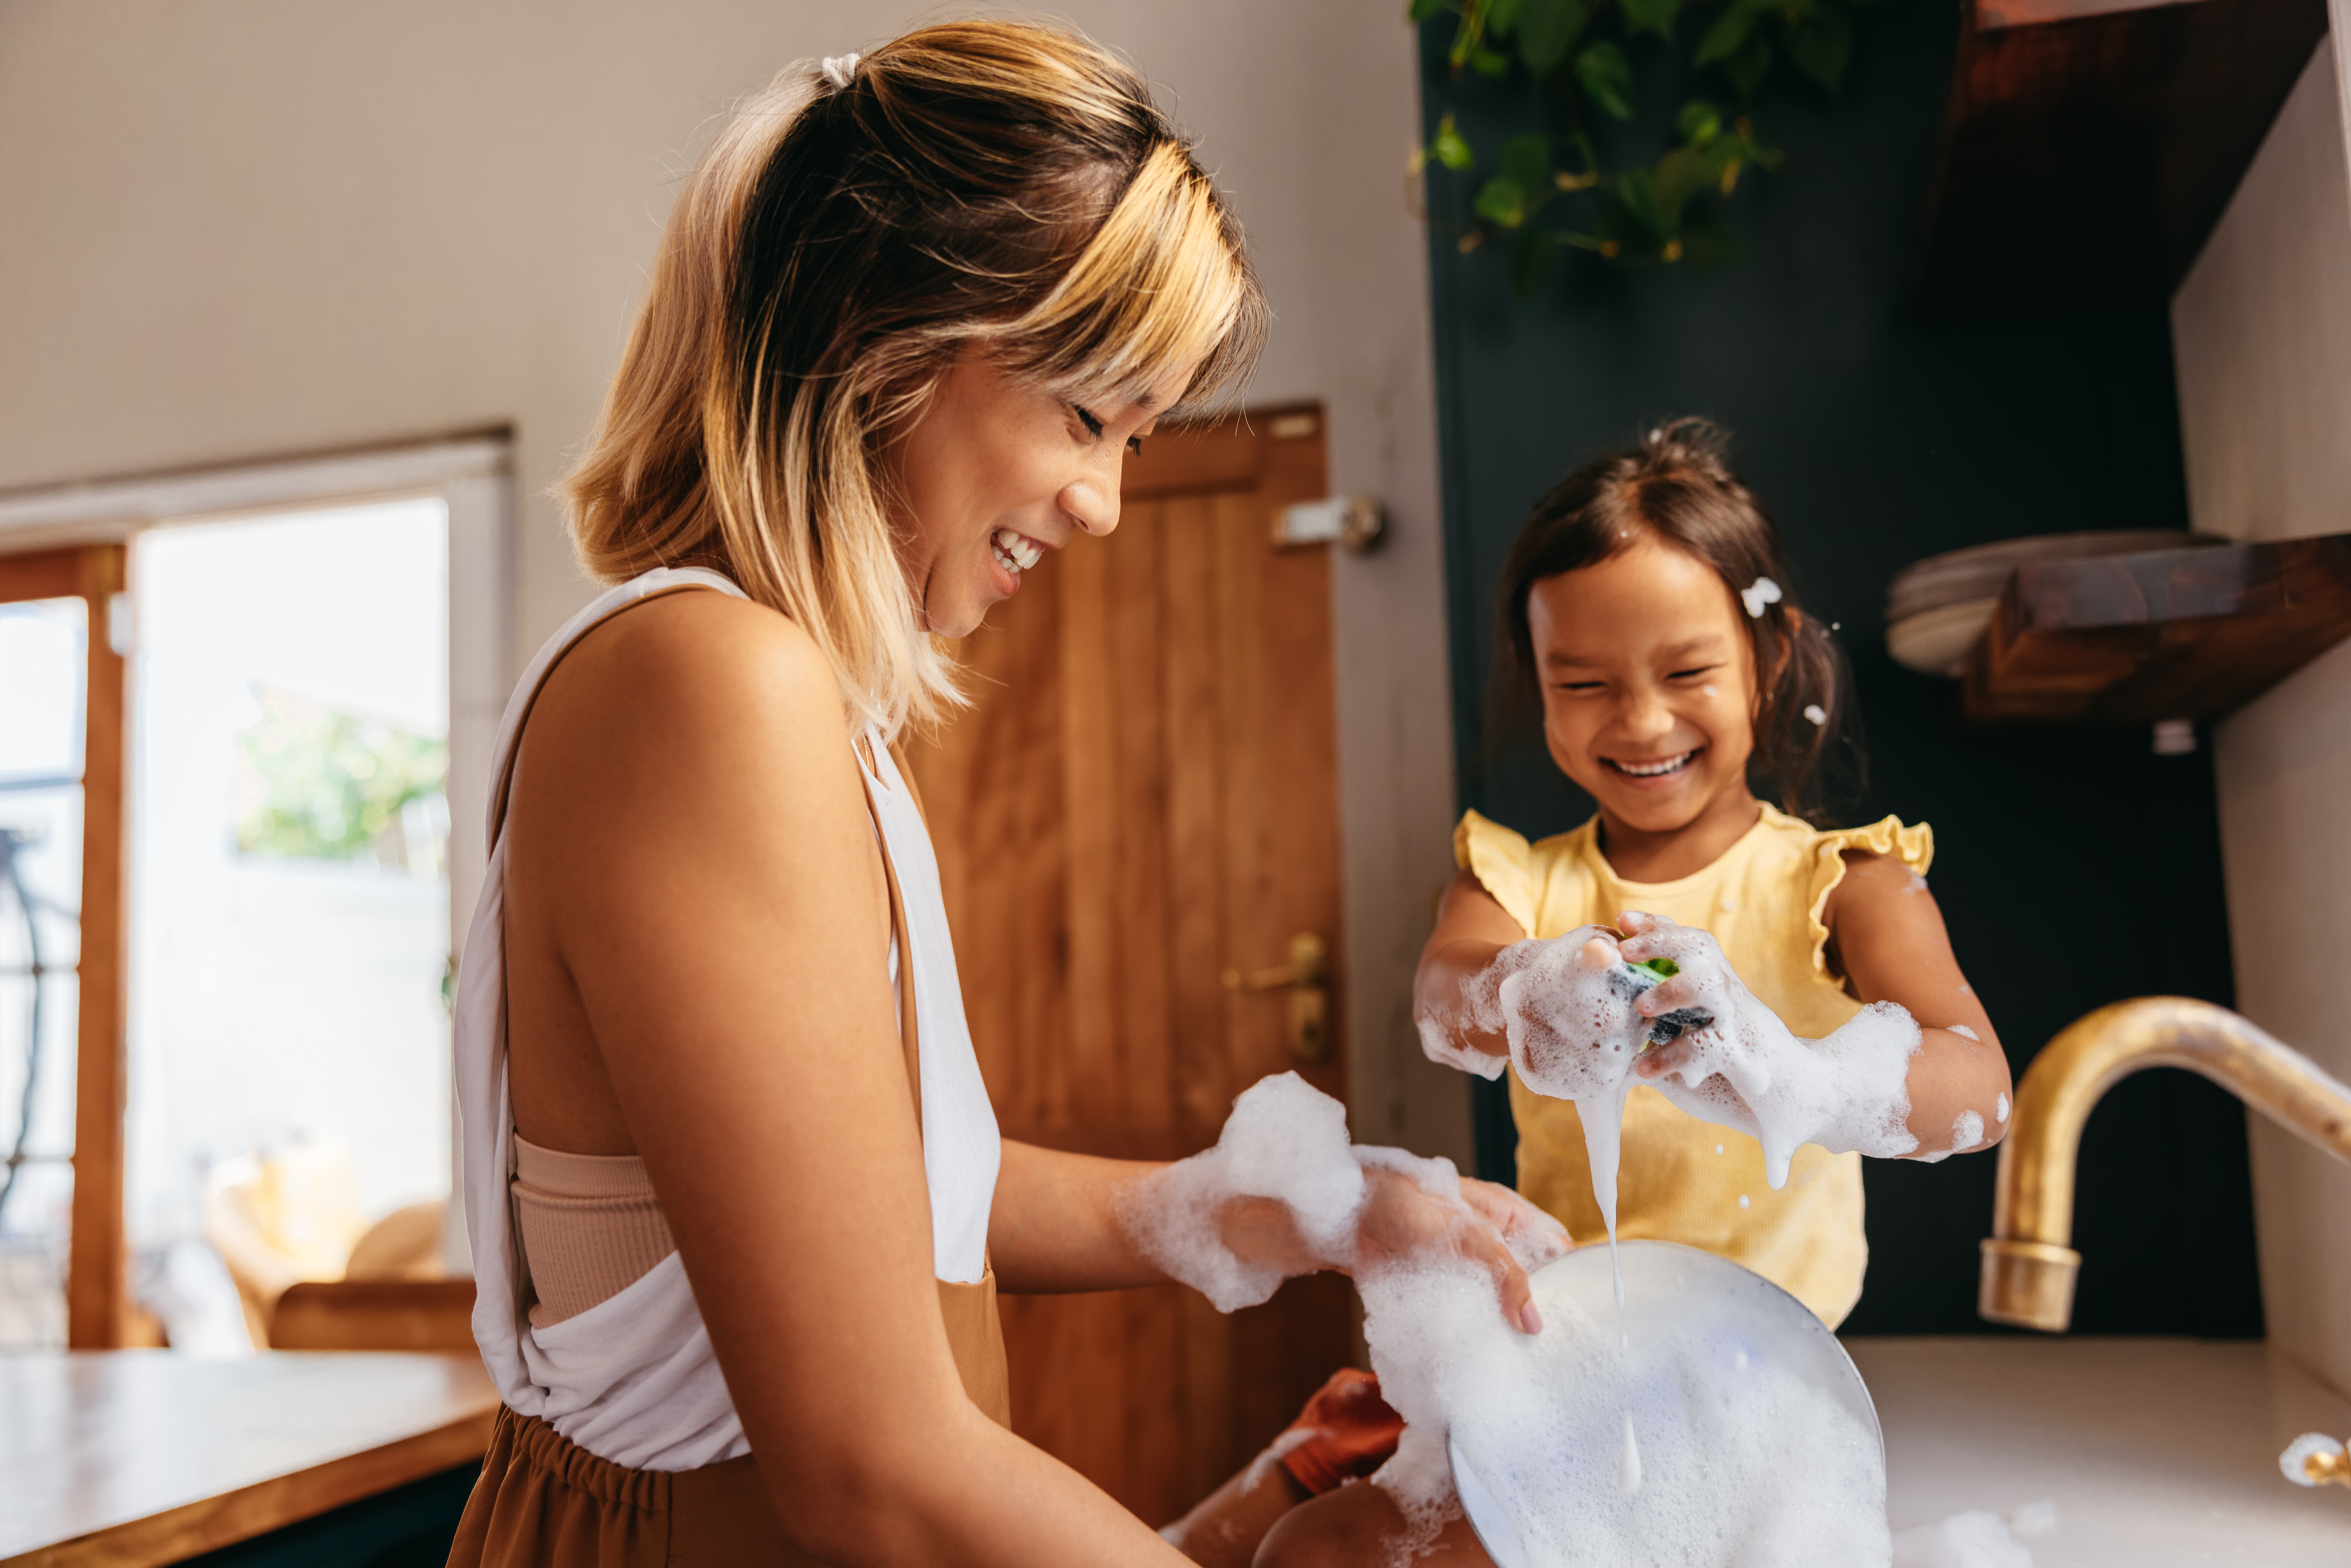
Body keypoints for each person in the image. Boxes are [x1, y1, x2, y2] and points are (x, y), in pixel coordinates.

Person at [445, 23, 1560, 1567]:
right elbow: (874, 1469)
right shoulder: (712, 689)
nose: (1103, 500)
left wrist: (1303, 1207)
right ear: (878, 327)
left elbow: (884, 1196)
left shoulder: (782, 697)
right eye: (1085, 414)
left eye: (1137, 436)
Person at [1414, 419, 2012, 1328]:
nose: (1644, 723)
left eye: (1688, 670)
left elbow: (1981, 1089)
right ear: (1536, 682)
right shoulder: (1515, 884)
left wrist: (1794, 1078)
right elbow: (1442, 996)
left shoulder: (1845, 885)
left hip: (1778, 1363)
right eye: (1583, 684)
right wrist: (1522, 985)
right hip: (1573, 1341)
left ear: (1769, 661)